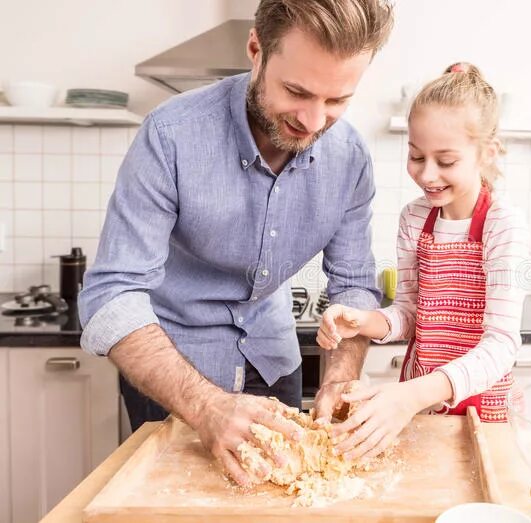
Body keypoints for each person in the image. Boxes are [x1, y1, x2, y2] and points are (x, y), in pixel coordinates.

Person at [77, 0, 394, 486]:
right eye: (296, 91)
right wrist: (206, 406)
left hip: (274, 368)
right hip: (173, 382)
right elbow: (110, 294)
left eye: (336, 101)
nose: (313, 122)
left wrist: (339, 378)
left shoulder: (350, 159)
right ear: (255, 49)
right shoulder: (171, 135)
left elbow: (353, 288)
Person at [316, 62, 531, 460]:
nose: (427, 174)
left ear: (487, 153)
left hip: (481, 412)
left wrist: (414, 394)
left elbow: (501, 345)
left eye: (445, 161)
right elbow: (412, 312)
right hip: (418, 405)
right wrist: (367, 321)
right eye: (416, 156)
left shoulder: (503, 227)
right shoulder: (415, 219)